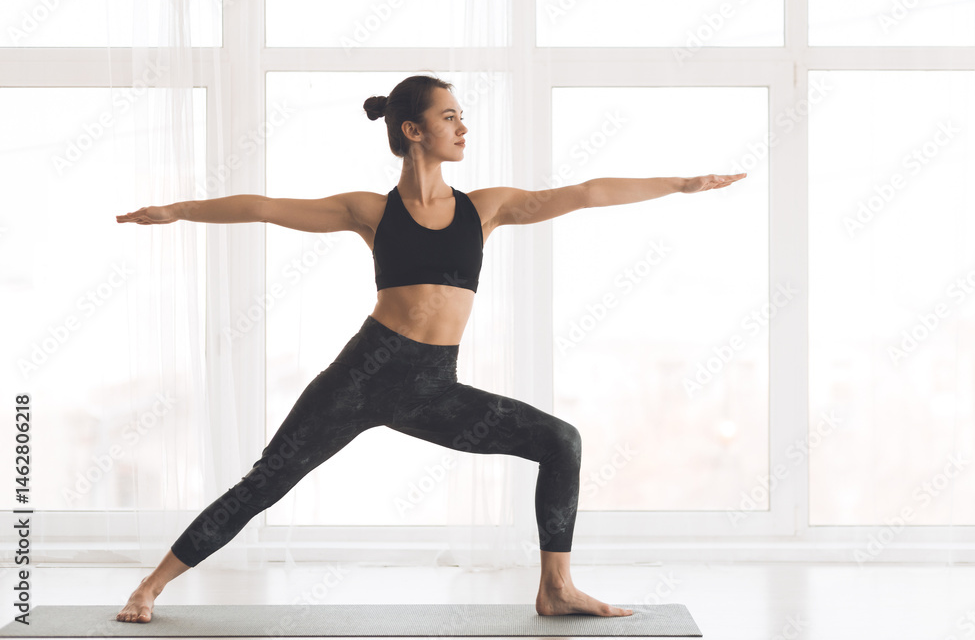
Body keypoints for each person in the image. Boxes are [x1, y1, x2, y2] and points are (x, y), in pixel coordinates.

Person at [113, 74, 746, 623]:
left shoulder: (486, 208)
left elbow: (582, 193)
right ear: (413, 130)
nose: (463, 127)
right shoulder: (369, 209)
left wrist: (680, 183)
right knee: (267, 481)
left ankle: (556, 587)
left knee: (561, 441)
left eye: (461, 117)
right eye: (450, 117)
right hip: (361, 376)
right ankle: (149, 586)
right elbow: (265, 207)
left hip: (432, 387)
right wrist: (177, 210)